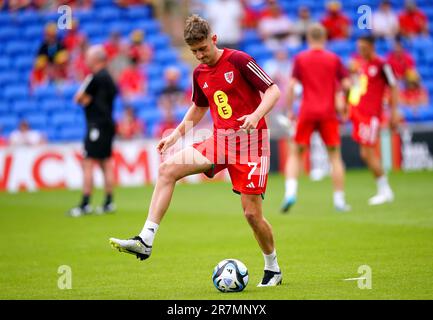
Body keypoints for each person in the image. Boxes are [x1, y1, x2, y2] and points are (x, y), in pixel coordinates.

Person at [109, 14, 283, 287]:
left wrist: (255, 115)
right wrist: (175, 135)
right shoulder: (199, 73)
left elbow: (273, 90)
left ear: (213, 39)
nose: (200, 55)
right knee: (167, 170)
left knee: (251, 215)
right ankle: (146, 239)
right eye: (194, 51)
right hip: (221, 141)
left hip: (251, 143)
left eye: (203, 48)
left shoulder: (239, 60)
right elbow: (199, 107)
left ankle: (272, 268)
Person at [281, 23, 351, 213]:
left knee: (296, 154)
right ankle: (339, 201)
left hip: (307, 112)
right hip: (328, 113)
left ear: (309, 38)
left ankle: (290, 193)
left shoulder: (301, 58)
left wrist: (289, 110)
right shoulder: (334, 58)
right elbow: (346, 84)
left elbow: (291, 86)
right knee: (335, 157)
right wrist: (344, 105)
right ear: (325, 38)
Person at [68, 45, 118, 217]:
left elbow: (78, 98)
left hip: (95, 125)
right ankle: (109, 202)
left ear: (96, 59)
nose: (86, 60)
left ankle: (85, 203)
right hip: (109, 124)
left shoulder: (94, 77)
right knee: (106, 163)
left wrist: (87, 100)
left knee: (88, 162)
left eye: (88, 57)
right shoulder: (110, 78)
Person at [349, 35, 399, 205]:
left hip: (371, 116)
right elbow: (361, 90)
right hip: (361, 115)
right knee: (366, 153)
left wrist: (394, 112)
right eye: (359, 47)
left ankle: (385, 191)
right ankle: (384, 189)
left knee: (368, 153)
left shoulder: (381, 64)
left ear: (371, 46)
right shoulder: (363, 66)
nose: (361, 50)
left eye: (363, 47)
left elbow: (393, 86)